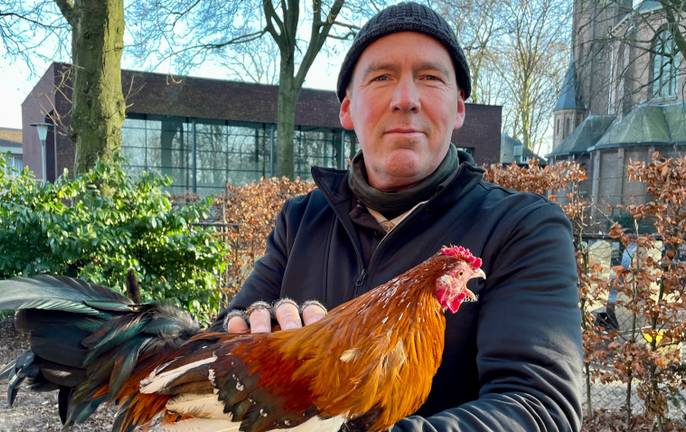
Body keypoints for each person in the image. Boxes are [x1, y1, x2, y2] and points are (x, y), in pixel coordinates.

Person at [211, 2, 583, 430]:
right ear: (348, 108)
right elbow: (224, 341)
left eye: (429, 78)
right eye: (382, 77)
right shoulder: (300, 220)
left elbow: (539, 409)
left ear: (459, 107)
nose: (406, 99)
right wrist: (248, 327)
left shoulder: (523, 227)